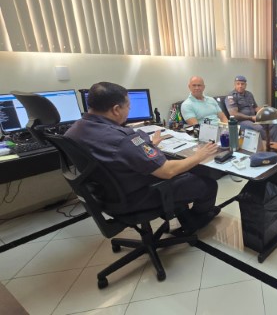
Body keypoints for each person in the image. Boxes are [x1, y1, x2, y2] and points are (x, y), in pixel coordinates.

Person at [65, 82, 220, 234]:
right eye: (128, 106)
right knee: (207, 183)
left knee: (186, 177)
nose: (129, 109)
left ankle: (185, 219)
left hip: (104, 196)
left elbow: (113, 154)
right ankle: (195, 222)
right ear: (116, 109)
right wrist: (200, 155)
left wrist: (146, 147)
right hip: (136, 197)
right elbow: (167, 171)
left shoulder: (73, 131)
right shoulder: (125, 139)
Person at [225, 75, 277, 142]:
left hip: (254, 118)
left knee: (274, 123)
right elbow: (234, 114)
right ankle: (268, 145)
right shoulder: (231, 97)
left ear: (246, 85)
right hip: (241, 122)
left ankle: (274, 144)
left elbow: (256, 108)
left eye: (242, 84)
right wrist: (250, 118)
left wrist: (265, 113)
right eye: (238, 84)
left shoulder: (249, 94)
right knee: (258, 128)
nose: (240, 86)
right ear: (234, 85)